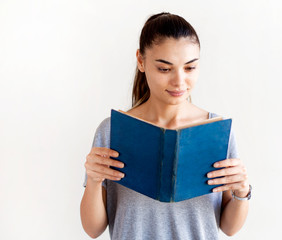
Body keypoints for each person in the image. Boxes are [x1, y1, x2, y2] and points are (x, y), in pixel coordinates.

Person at [80, 12, 251, 240]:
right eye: (164, 68)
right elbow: (93, 229)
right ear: (141, 61)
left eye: (189, 68)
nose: (179, 81)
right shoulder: (113, 131)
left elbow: (229, 228)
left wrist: (242, 191)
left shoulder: (216, 132)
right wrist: (93, 179)